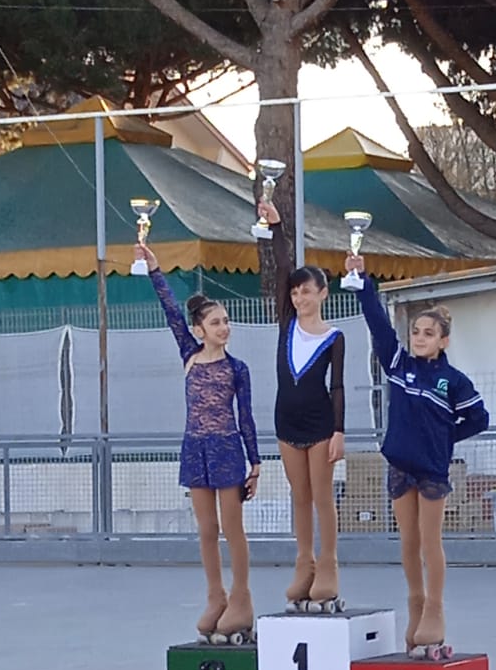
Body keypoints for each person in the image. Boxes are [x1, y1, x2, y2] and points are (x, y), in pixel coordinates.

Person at [346, 251, 489, 654]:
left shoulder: (453, 381)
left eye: (428, 333)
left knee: (430, 542)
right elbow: (378, 327)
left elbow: (479, 419)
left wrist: (445, 441)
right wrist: (364, 284)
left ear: (443, 340)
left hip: (431, 473)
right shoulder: (398, 365)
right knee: (407, 543)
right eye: (416, 332)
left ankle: (435, 610)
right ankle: (415, 606)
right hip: (399, 467)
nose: (419, 338)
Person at [136, 244, 260, 641]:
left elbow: (246, 417)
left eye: (226, 321)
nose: (224, 327)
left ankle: (242, 596)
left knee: (232, 529)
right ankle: (215, 595)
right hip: (195, 449)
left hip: (226, 450)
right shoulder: (189, 356)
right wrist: (155, 269)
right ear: (199, 330)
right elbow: (171, 310)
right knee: (207, 530)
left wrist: (255, 462)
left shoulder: (237, 368)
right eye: (216, 322)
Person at [258, 200, 345, 611]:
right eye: (295, 291)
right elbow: (279, 266)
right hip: (286, 422)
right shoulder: (285, 323)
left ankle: (328, 564)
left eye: (307, 290)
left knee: (322, 496)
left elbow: (338, 387)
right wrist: (276, 229)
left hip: (320, 424)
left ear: (322, 293)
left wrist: (339, 431)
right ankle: (304, 562)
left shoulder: (333, 336)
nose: (298, 297)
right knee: (299, 496)